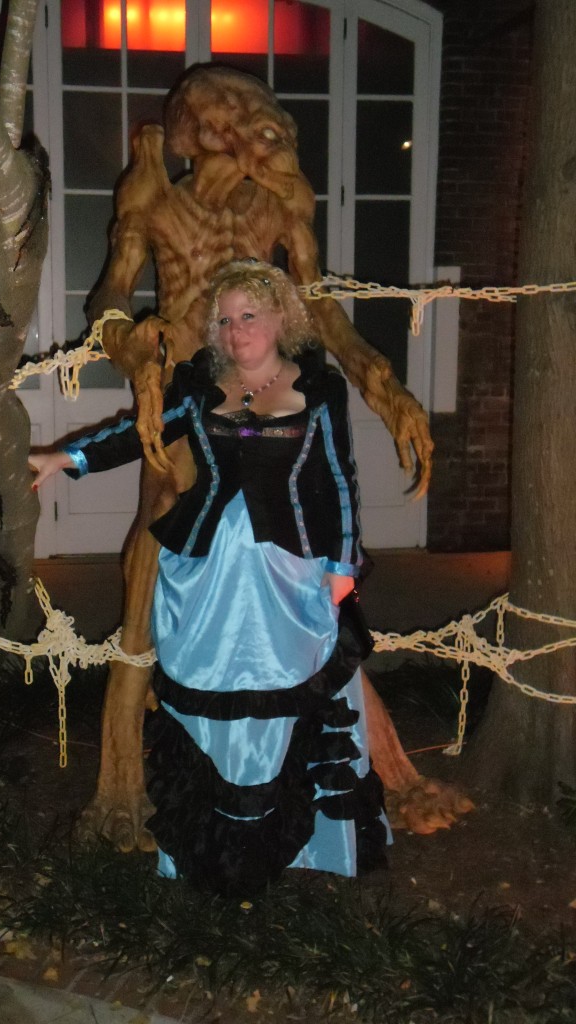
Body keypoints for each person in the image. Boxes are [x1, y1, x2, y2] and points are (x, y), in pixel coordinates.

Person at [30, 259, 390, 895]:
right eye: (225, 319)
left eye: (249, 315)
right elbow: (135, 432)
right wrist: (67, 457)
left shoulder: (320, 388)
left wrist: (341, 568)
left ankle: (298, 844)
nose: (236, 329)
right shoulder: (198, 387)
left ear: (281, 317)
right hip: (210, 572)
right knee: (210, 698)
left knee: (289, 700)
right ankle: (213, 843)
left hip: (292, 574)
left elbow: (339, 480)